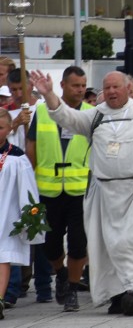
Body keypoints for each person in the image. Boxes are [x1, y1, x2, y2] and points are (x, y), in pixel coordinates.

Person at [29, 70, 133, 317]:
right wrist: (49, 94)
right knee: (104, 246)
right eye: (106, 88)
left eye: (116, 87)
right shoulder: (95, 116)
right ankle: (116, 295)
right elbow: (67, 117)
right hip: (103, 191)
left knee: (131, 241)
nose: (111, 92)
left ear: (129, 89)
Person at [25, 66, 91, 312]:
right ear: (62, 85)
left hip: (79, 190)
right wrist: (31, 177)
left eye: (84, 85)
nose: (81, 90)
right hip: (48, 189)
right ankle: (61, 273)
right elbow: (31, 144)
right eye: (76, 85)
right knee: (49, 244)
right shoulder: (42, 111)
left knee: (78, 242)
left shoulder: (90, 113)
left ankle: (72, 289)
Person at [0, 108, 44, 321]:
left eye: (0, 127)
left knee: (3, 257)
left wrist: (30, 214)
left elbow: (27, 188)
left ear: (9, 128)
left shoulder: (17, 157)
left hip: (6, 214)